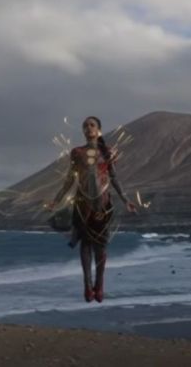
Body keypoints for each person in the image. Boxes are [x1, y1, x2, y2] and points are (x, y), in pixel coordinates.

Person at [49, 116, 137, 303]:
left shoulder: (108, 152)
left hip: (103, 206)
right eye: (85, 126)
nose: (88, 128)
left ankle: (100, 284)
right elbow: (70, 179)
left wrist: (126, 200)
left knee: (101, 246)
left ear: (98, 129)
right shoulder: (77, 152)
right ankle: (88, 286)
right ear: (83, 131)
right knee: (86, 245)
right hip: (82, 205)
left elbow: (114, 178)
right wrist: (56, 200)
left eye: (92, 125)